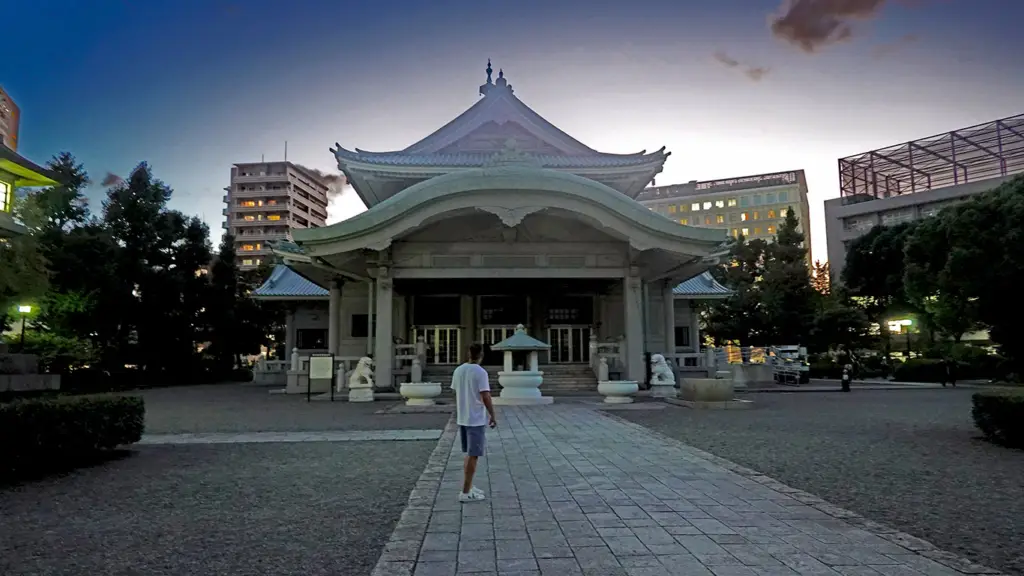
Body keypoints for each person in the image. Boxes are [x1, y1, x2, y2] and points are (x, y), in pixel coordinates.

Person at [450, 343, 497, 503]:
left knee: (469, 454)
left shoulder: (459, 370)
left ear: (468, 353)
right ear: (481, 354)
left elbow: (456, 390)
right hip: (475, 418)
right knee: (474, 455)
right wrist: (492, 414)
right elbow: (486, 395)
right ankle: (465, 492)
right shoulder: (480, 372)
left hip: (463, 417)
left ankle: (468, 486)